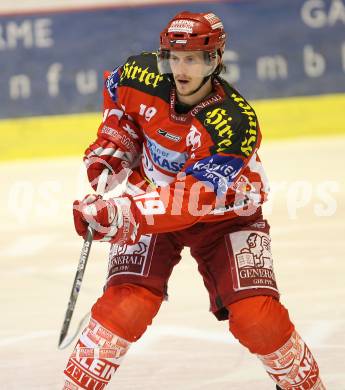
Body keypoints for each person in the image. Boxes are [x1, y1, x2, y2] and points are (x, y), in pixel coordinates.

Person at [63, 11, 325, 390]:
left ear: (215, 60)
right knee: (125, 306)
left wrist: (120, 215)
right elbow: (119, 102)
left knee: (258, 320)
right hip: (150, 197)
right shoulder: (139, 74)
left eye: (194, 59)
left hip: (226, 215)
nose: (181, 69)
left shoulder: (233, 123)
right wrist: (114, 148)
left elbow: (190, 202)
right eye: (173, 56)